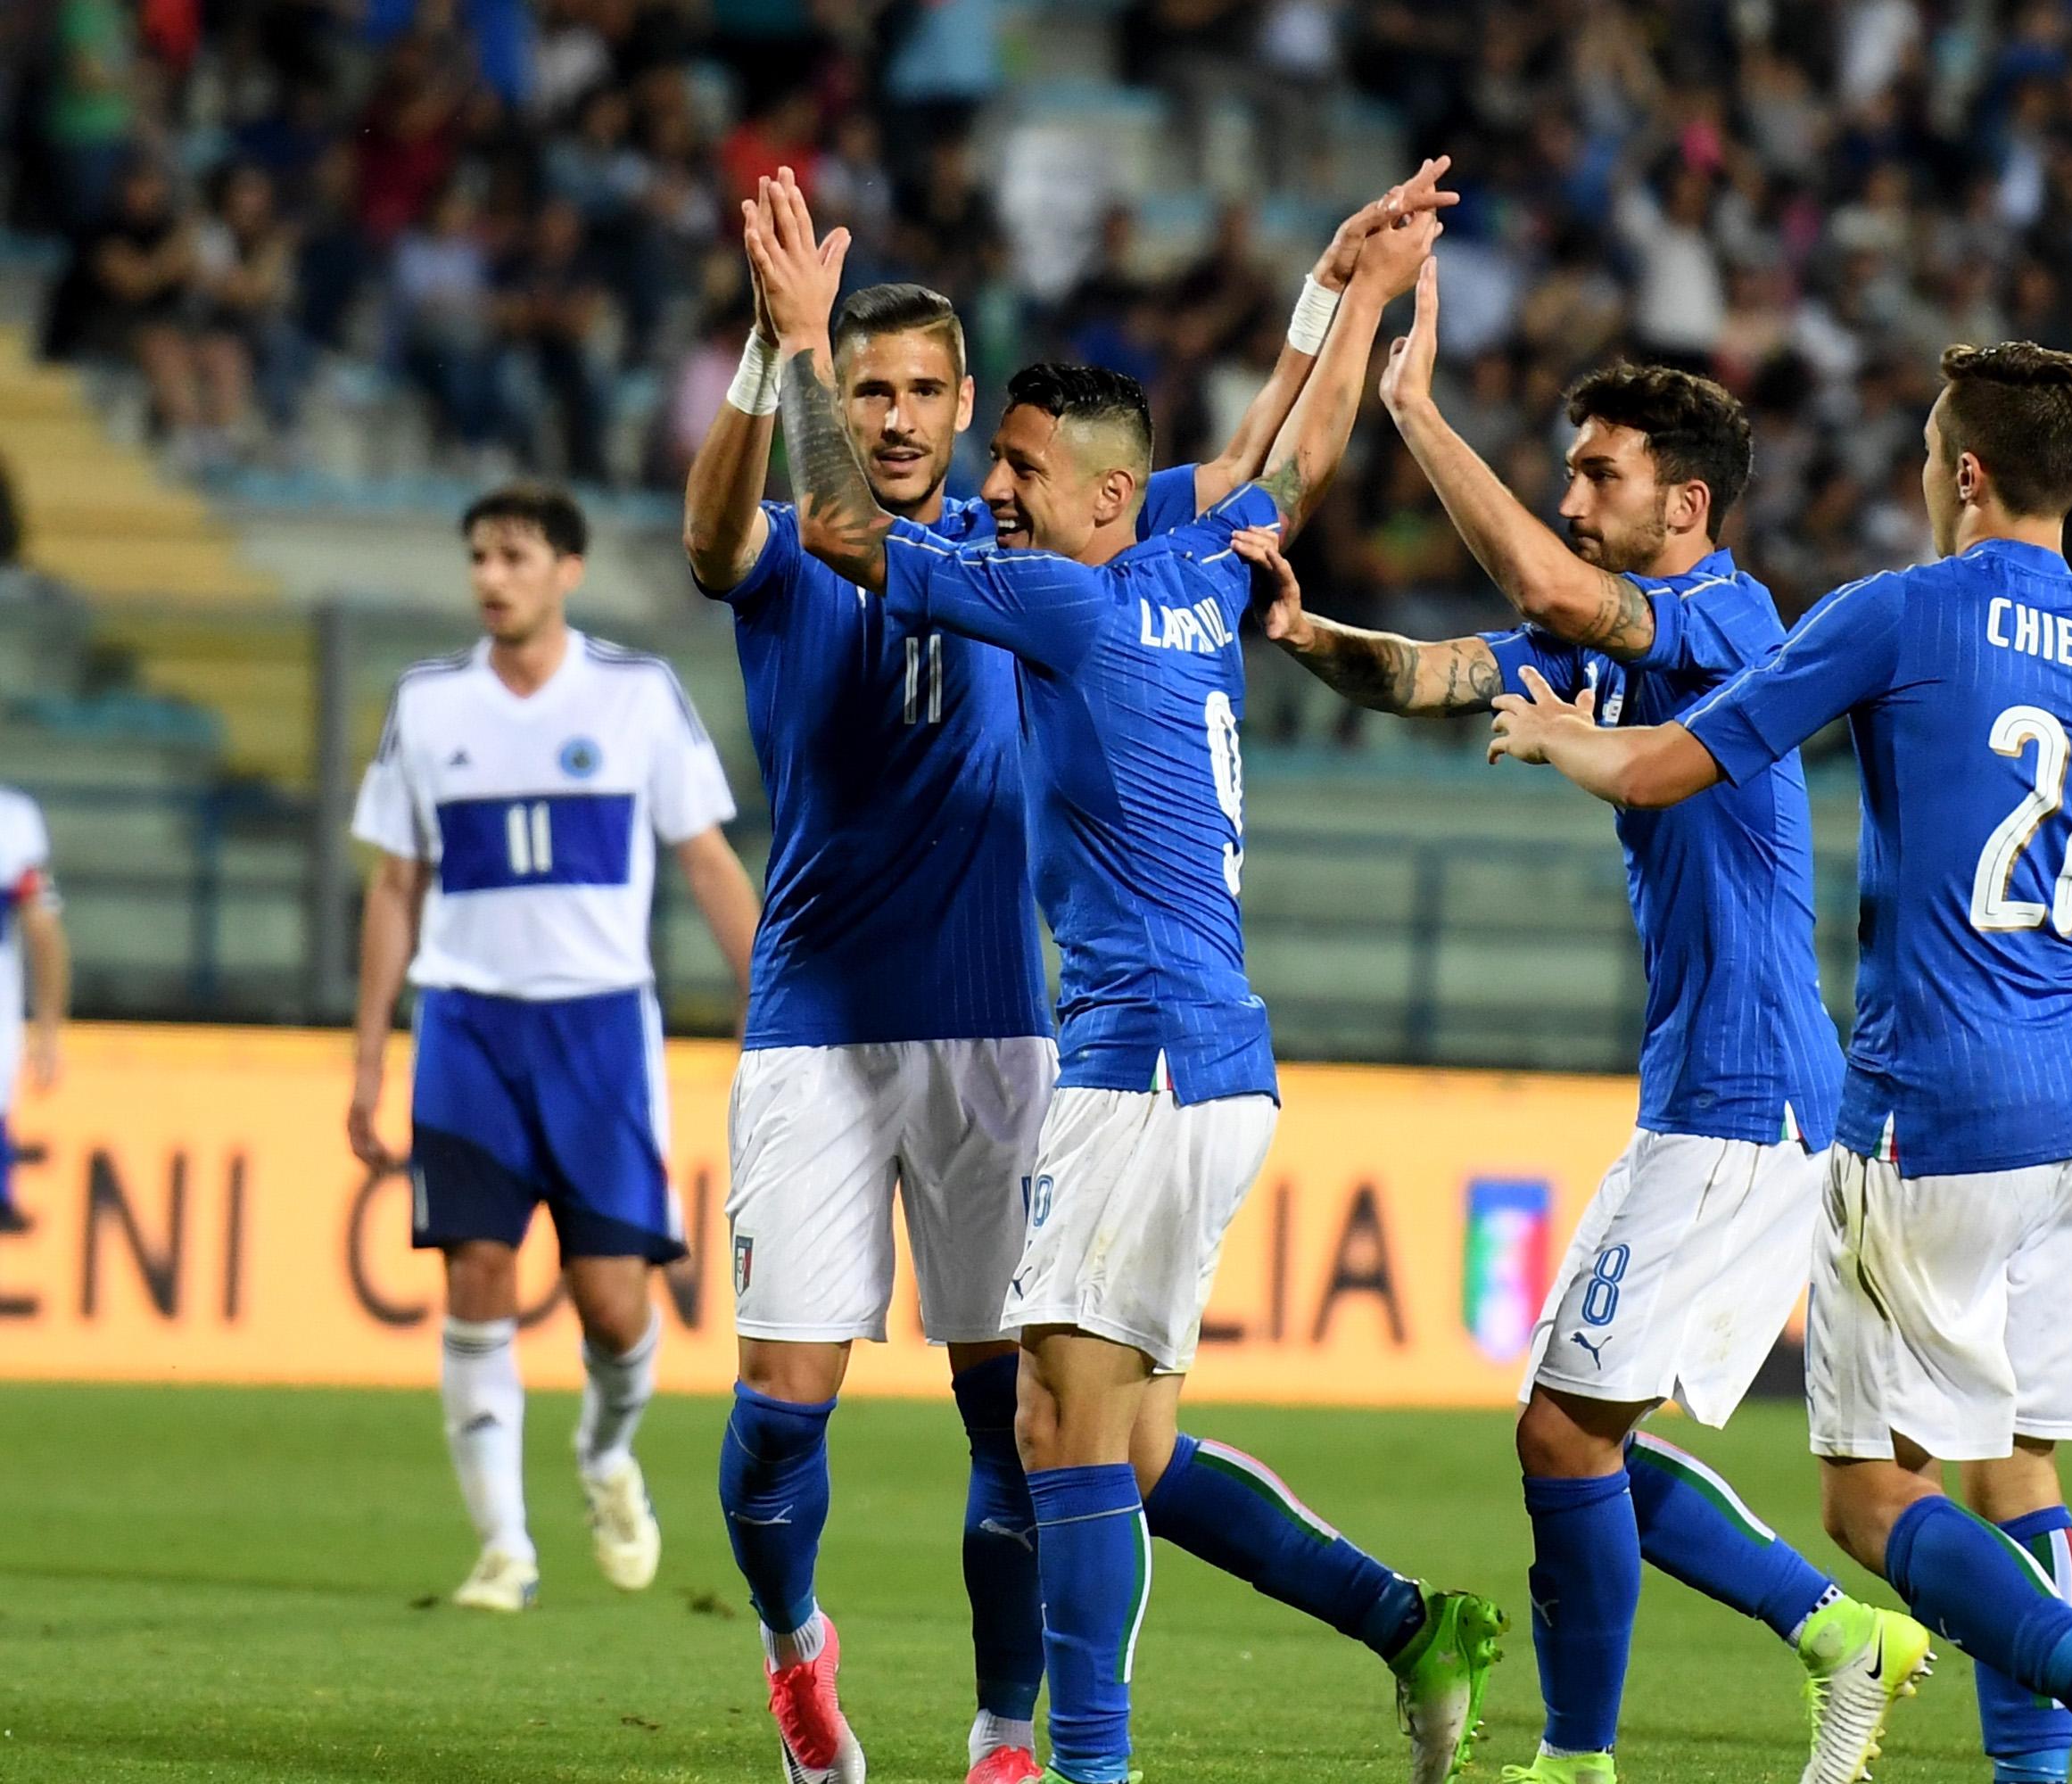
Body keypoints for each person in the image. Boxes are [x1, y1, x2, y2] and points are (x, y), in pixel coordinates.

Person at [698, 167, 1495, 1784]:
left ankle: (1049, 1754)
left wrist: (791, 343)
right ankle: (1396, 1622)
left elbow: (883, 522)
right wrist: (1335, 293)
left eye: (959, 416)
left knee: (1052, 1437)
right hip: (928, 1034)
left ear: (987, 411)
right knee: (1091, 1446)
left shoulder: (1050, 593)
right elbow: (1296, 453)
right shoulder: (1176, 564)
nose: (956, 456)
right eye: (872, 390)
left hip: (1079, 1049)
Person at [1483, 342, 2072, 1784]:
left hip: (1926, 1108)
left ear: (1966, 474)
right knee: (2019, 1464)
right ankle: (2034, 1774)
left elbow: (1676, 765)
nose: (1922, 474)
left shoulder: (1901, 615)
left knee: (1870, 1503)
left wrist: (1557, 739)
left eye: (1929, 451)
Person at [1249, 258, 1930, 1784]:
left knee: (1562, 1439)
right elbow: (1435, 676)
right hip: (1715, 1084)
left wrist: (1414, 408)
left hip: (1746, 1091)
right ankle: (1837, 1635)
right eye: (1567, 468)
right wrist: (1310, 641)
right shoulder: (1630, 637)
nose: (1572, 495)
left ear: (1684, 504)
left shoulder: (1721, 614)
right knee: (1585, 1440)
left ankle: (1581, 1757)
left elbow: (1553, 597)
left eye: (1598, 473)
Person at [347, 482, 761, 1614]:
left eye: (516, 555)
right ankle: (503, 1547)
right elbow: (394, 883)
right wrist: (372, 1051)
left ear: (566, 570)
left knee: (617, 1305)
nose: (493, 576)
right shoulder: (429, 706)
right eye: (480, 555)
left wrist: (767, 992)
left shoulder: (635, 695)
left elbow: (709, 858)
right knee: (476, 1279)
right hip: (469, 1026)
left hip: (599, 1031)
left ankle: (604, 1456)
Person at [0, 787, 69, 1236]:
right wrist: (47, 1034)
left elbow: (43, 935)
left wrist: (46, 1033)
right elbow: (44, 934)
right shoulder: (11, 819)